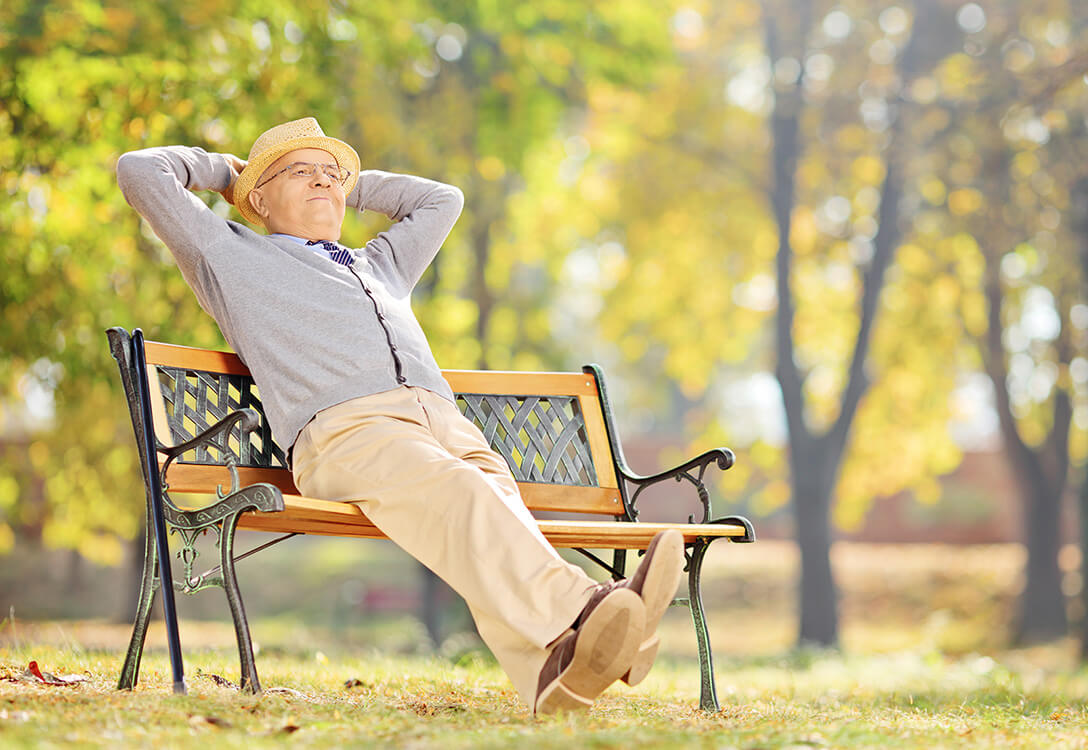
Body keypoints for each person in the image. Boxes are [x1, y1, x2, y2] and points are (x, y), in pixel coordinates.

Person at [116, 117, 683, 714]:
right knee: (463, 493)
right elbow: (139, 171)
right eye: (300, 172)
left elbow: (441, 200)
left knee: (492, 506)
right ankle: (594, 609)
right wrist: (226, 172)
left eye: (330, 174)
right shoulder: (228, 253)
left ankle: (555, 671)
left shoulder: (379, 264)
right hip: (345, 432)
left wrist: (349, 183)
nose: (322, 183)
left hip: (442, 422)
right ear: (258, 196)